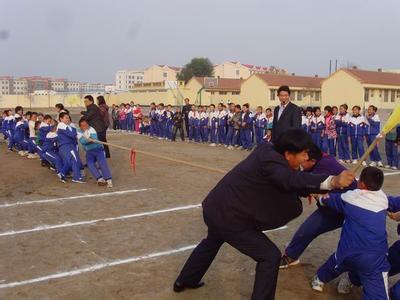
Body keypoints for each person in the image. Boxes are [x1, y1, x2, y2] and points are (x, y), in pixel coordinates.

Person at [173, 129, 355, 300]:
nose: (306, 158)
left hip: (216, 208)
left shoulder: (267, 150)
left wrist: (309, 191)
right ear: (288, 154)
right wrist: (333, 181)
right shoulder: (272, 162)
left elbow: (283, 182)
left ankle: (185, 280)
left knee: (211, 242)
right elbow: (290, 179)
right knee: (270, 256)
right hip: (230, 218)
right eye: (303, 154)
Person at [311, 167, 389, 300]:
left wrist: (319, 197)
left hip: (348, 252)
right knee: (377, 292)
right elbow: (395, 202)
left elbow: (329, 199)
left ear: (362, 184)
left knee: (336, 263)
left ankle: (319, 279)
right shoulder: (384, 200)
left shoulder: (350, 197)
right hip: (375, 257)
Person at [280, 144, 357, 269]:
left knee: (310, 229)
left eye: (304, 159)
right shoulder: (318, 161)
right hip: (331, 203)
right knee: (308, 229)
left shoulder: (322, 169)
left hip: (344, 207)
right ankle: (292, 255)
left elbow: (302, 187)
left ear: (313, 161)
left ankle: (347, 276)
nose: (301, 160)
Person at [78, 118, 113, 188]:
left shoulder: (91, 129)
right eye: (83, 126)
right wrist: (88, 139)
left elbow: (94, 138)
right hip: (89, 151)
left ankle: (108, 180)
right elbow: (82, 141)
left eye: (86, 125)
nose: (85, 127)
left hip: (98, 149)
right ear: (80, 127)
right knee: (90, 164)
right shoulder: (79, 132)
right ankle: (99, 178)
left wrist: (88, 139)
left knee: (102, 163)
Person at [57, 112, 85, 183]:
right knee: (74, 159)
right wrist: (78, 134)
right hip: (65, 145)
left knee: (68, 162)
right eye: (66, 117)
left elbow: (75, 134)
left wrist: (85, 137)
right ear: (61, 119)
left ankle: (62, 173)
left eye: (68, 117)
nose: (68, 119)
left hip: (70, 146)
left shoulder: (69, 127)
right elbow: (72, 134)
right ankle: (77, 177)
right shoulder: (61, 125)